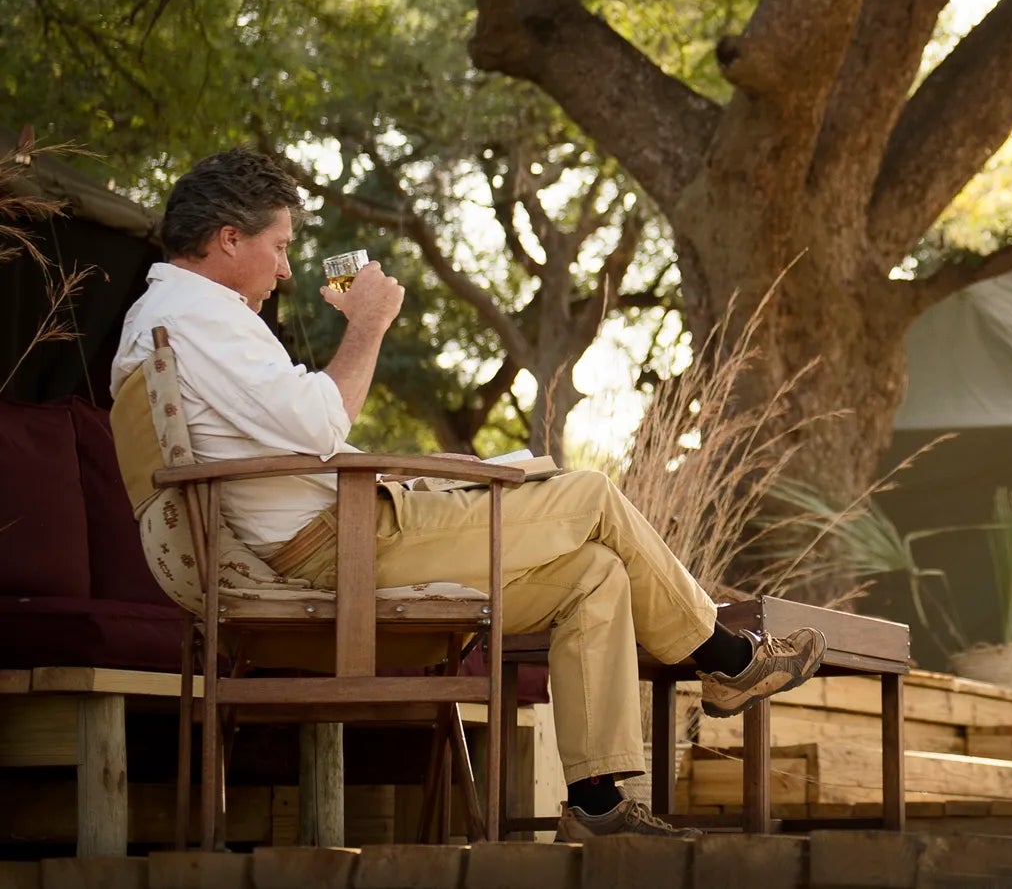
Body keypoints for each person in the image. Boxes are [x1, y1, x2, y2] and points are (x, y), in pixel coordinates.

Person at [111, 148, 823, 841]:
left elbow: (296, 445)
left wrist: (410, 469)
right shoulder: (203, 318)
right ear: (229, 237)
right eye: (280, 245)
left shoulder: (182, 316)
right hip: (343, 549)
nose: (288, 268)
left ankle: (597, 802)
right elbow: (319, 417)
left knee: (594, 573)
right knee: (592, 496)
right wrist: (367, 325)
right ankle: (730, 659)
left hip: (351, 525)